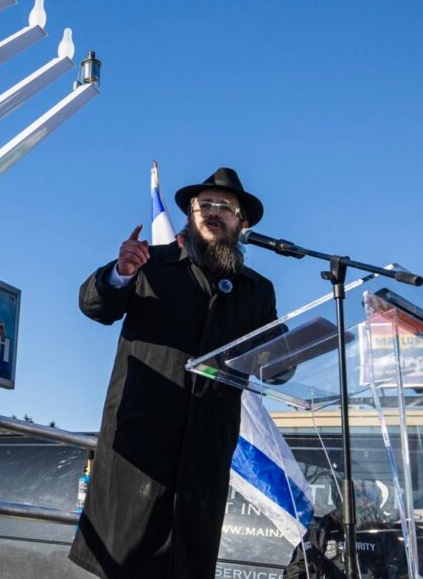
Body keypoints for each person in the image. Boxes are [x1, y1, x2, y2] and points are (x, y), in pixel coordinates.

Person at [69, 167, 279, 579]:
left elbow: (273, 361)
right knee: (127, 565)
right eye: (205, 205)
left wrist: (284, 358)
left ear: (243, 222)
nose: (212, 212)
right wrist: (121, 273)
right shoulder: (153, 264)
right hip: (140, 459)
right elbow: (95, 306)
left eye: (225, 207)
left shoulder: (256, 291)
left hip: (204, 462)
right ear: (190, 214)